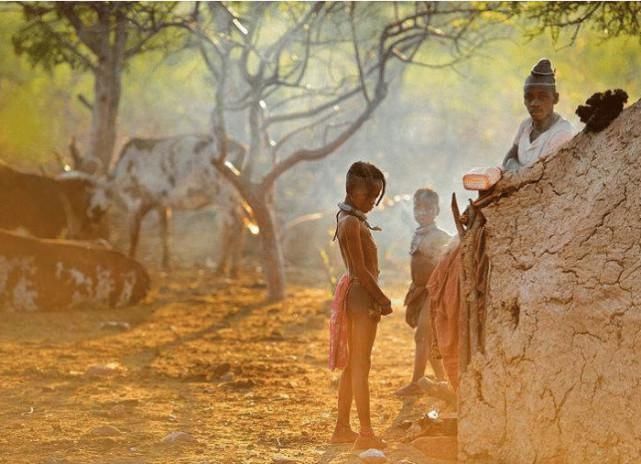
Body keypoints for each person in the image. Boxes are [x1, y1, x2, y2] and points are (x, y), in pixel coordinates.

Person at [329, 161, 393, 450]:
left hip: (357, 294)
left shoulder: (348, 216)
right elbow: (359, 271)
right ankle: (365, 434)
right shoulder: (352, 222)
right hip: (361, 297)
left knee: (353, 364)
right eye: (368, 196)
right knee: (360, 365)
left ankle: (342, 428)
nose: (372, 203)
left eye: (376, 197)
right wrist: (382, 298)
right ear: (351, 192)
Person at [395, 188, 451, 397]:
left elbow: (447, 267)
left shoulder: (441, 236)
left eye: (428, 208)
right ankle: (443, 381)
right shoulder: (418, 234)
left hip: (433, 292)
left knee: (422, 336)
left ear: (437, 210)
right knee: (427, 338)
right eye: (418, 208)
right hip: (419, 291)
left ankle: (417, 384)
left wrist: (438, 293)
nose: (422, 212)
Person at [502, 58, 575, 172]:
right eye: (529, 97)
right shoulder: (526, 125)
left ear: (555, 98)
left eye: (542, 97)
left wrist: (514, 173)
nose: (534, 103)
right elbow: (510, 156)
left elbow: (544, 174)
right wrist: (511, 165)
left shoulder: (562, 132)